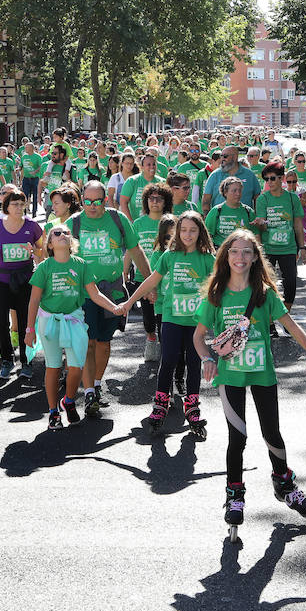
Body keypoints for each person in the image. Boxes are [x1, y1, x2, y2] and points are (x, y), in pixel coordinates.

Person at [193, 229, 306, 534]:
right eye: (235, 251)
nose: (240, 257)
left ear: (255, 258)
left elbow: (291, 326)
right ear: (226, 256)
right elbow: (198, 337)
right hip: (230, 377)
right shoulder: (216, 293)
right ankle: (234, 496)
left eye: (247, 252)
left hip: (262, 373)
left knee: (272, 434)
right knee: (237, 438)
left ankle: (283, 483)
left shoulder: (264, 294)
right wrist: (207, 359)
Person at [26, 226, 129, 429]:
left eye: (66, 233)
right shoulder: (45, 268)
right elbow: (34, 300)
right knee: (53, 367)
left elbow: (95, 294)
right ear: (50, 244)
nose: (62, 235)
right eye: (56, 233)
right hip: (50, 322)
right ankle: (53, 412)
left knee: (76, 367)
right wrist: (30, 330)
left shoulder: (81, 265)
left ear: (72, 242)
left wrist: (115, 307)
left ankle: (69, 401)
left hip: (74, 320)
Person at [124, 211, 215, 435]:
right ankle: (161, 403)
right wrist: (129, 302)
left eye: (193, 230)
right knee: (168, 360)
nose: (187, 234)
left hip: (196, 322)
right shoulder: (169, 255)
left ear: (200, 231)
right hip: (172, 318)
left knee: (194, 362)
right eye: (183, 230)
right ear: (177, 232)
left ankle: (192, 405)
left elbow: (221, 286)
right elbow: (151, 280)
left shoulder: (207, 258)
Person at [71, 181, 150, 415]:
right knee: (88, 343)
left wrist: (148, 284)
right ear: (82, 200)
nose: (92, 206)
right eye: (87, 201)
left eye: (97, 201)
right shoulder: (74, 223)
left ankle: (96, 384)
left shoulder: (118, 219)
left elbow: (136, 250)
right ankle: (89, 394)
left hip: (113, 291)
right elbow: (56, 253)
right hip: (83, 293)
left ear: (105, 200)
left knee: (104, 342)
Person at [0, 189, 44, 379]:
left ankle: (26, 361)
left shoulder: (32, 226)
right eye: (15, 204)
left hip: (25, 279)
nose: (19, 207)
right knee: (0, 321)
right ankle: (6, 360)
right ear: (6, 206)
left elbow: (44, 252)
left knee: (25, 321)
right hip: (1, 279)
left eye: (22, 204)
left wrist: (35, 252)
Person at [253, 161, 306, 318]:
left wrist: (302, 248)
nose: (269, 182)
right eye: (266, 179)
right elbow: (261, 226)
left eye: (272, 178)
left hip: (288, 248)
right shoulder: (263, 199)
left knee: (290, 283)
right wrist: (261, 224)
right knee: (267, 286)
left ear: (281, 178)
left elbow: (298, 224)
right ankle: (270, 321)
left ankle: (285, 316)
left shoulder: (292, 199)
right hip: (268, 248)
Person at [131, 183, 174, 361]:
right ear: (146, 201)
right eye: (151, 198)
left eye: (159, 199)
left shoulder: (171, 222)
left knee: (164, 317)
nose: (155, 202)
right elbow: (131, 249)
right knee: (148, 318)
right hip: (143, 276)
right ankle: (151, 337)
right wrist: (125, 269)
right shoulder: (138, 223)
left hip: (167, 279)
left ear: (166, 202)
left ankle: (167, 350)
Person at [201, 145, 259, 214]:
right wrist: (206, 216)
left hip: (244, 221)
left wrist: (256, 216)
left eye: (225, 156)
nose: (222, 159)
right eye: (221, 156)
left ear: (235, 157)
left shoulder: (249, 174)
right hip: (222, 222)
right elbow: (206, 199)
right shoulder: (215, 175)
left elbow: (257, 197)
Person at [205, 176, 254, 246]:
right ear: (225, 192)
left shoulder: (248, 212)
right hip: (220, 250)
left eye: (240, 190)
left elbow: (256, 236)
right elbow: (207, 235)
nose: (238, 194)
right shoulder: (216, 211)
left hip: (241, 252)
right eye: (234, 190)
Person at [120, 152, 163, 221]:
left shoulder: (162, 182)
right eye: (148, 165)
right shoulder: (132, 181)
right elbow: (123, 202)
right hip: (136, 223)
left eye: (154, 164)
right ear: (142, 166)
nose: (152, 167)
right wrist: (131, 222)